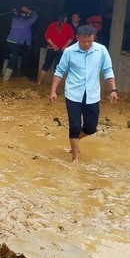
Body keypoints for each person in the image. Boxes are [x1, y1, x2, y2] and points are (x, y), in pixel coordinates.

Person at [49, 25, 117, 163]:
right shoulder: (69, 51)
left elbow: (108, 71)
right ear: (77, 38)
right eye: (83, 41)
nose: (86, 44)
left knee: (91, 128)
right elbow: (60, 71)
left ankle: (75, 141)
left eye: (90, 41)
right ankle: (75, 158)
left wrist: (113, 90)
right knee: (75, 126)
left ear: (94, 38)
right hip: (73, 94)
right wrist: (53, 90)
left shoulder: (101, 50)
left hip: (92, 95)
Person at [3, 6, 38, 82]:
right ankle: (5, 78)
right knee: (13, 59)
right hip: (16, 43)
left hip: (9, 41)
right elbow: (35, 16)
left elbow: (14, 13)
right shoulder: (28, 22)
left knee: (9, 56)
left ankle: (3, 72)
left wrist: (15, 11)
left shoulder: (15, 19)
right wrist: (28, 10)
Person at [38, 13, 75, 85]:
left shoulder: (52, 25)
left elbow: (47, 37)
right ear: (65, 19)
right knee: (58, 68)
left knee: (46, 66)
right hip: (61, 50)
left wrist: (53, 45)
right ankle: (55, 85)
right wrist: (65, 46)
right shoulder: (68, 27)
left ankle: (39, 82)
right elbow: (71, 38)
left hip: (52, 48)